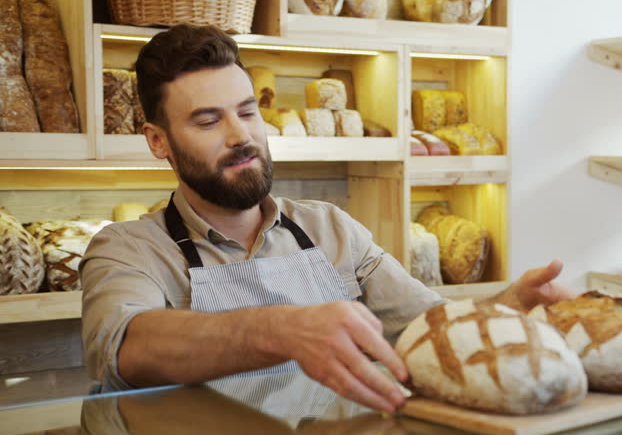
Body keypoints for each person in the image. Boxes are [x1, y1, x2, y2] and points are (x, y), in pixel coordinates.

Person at [80, 24, 576, 414]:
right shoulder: (127, 248)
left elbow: (426, 326)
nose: (241, 136)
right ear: (157, 141)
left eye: (247, 112)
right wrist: (280, 330)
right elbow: (126, 349)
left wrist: (508, 304)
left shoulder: (328, 228)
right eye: (208, 121)